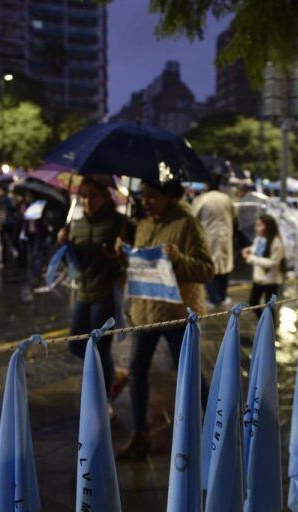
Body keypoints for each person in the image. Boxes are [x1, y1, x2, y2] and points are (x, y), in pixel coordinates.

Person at [115, 178, 214, 459]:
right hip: (145, 311)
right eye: (143, 195)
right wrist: (123, 256)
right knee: (137, 370)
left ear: (169, 197)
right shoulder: (144, 224)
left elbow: (207, 270)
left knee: (191, 372)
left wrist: (178, 259)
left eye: (152, 196)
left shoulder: (187, 224)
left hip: (176, 313)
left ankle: (219, 425)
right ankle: (140, 433)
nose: (146, 202)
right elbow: (141, 264)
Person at [57, 177, 130, 412]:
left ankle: (105, 400)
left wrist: (119, 253)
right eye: (84, 196)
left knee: (99, 348)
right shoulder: (77, 224)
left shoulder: (119, 223)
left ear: (105, 197)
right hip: (84, 290)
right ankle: (116, 374)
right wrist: (63, 242)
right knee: (76, 345)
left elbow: (130, 258)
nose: (87, 201)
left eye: (93, 196)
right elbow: (73, 260)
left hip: (106, 292)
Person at [192, 182, 235, 308]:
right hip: (225, 236)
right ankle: (222, 296)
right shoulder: (226, 198)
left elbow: (194, 218)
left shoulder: (202, 199)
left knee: (210, 266)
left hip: (208, 236)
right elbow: (233, 214)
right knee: (225, 266)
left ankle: (213, 298)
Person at [243, 214, 285, 317]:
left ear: (268, 226)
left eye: (260, 225)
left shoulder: (276, 242)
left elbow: (273, 263)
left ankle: (270, 327)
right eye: (256, 225)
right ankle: (262, 321)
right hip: (259, 278)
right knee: (253, 302)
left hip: (271, 280)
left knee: (269, 306)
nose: (256, 227)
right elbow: (256, 249)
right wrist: (248, 250)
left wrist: (252, 258)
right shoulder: (259, 239)